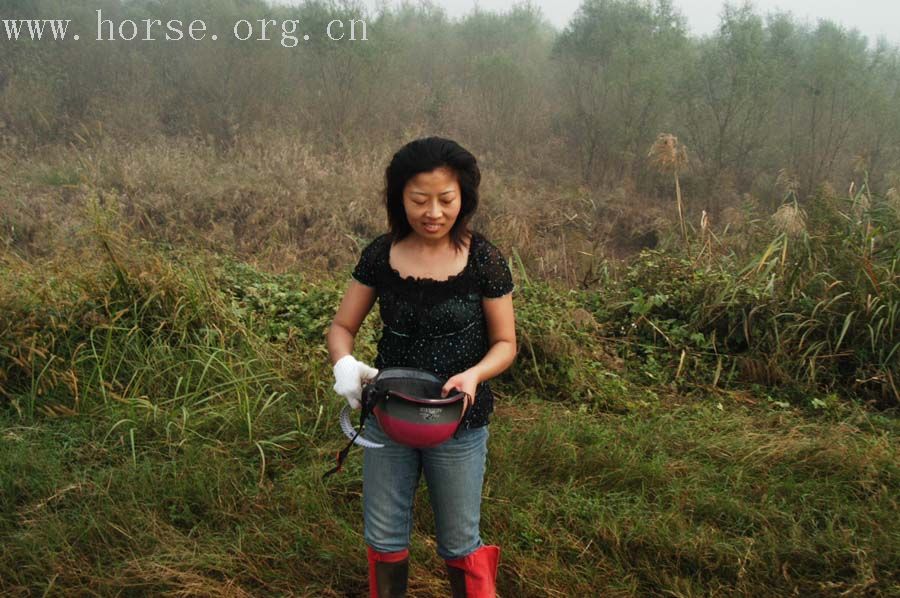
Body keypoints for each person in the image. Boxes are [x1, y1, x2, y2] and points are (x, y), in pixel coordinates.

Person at [326, 136, 517, 598]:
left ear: (463, 199)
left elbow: (505, 343)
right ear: (400, 199)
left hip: (459, 418)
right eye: (419, 200)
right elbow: (341, 326)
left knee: (458, 541)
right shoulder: (381, 254)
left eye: (445, 200)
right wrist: (345, 366)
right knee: (384, 537)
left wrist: (475, 374)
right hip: (390, 414)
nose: (433, 212)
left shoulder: (484, 259)